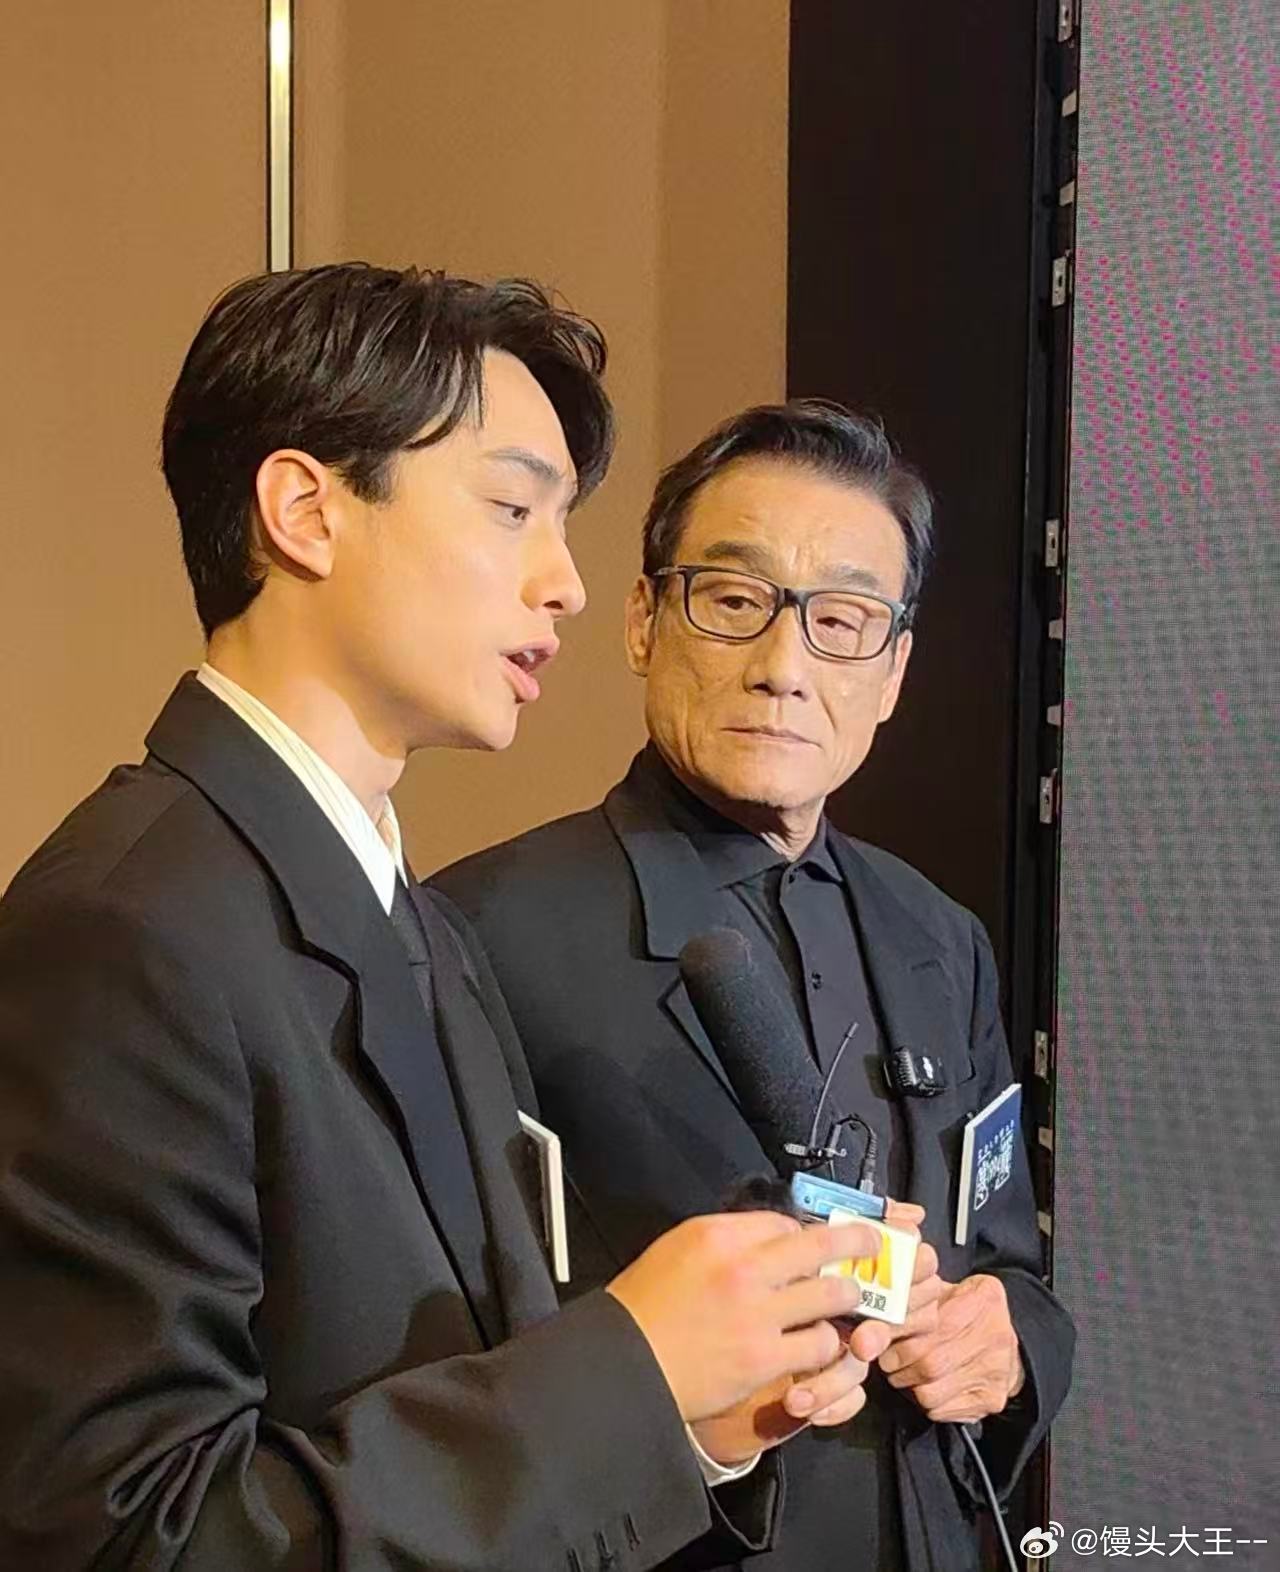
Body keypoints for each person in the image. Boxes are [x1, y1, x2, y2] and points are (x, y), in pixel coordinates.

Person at [0, 272, 899, 1571]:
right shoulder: (124, 926)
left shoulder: (413, 923)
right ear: (305, 510)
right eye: (511, 508)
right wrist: (631, 1375)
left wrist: (693, 1421)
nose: (566, 584)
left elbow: (480, 1366)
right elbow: (124, 1538)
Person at [432, 401, 1077, 1572]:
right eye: (732, 603)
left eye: (841, 622)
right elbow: (447, 1360)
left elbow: (1005, 1259)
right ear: (642, 620)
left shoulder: (940, 937)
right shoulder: (474, 933)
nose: (783, 668)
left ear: (892, 671)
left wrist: (1007, 1341)